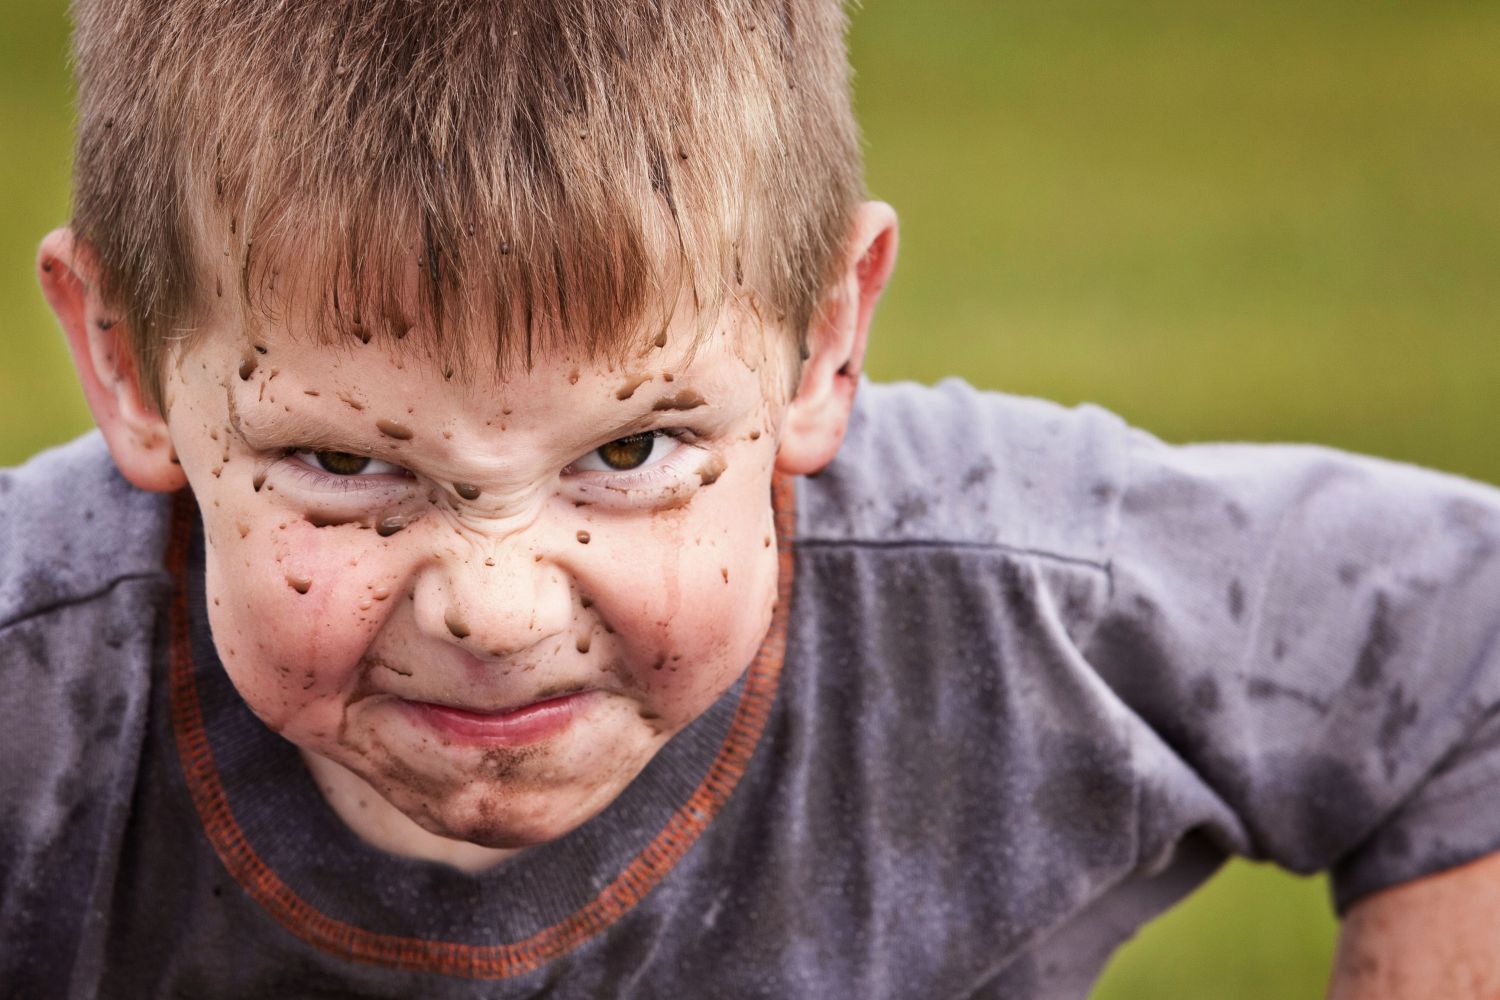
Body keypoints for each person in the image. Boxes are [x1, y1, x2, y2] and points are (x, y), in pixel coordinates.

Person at [2, 2, 1497, 996]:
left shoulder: (1012, 594)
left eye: (632, 450)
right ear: (129, 366)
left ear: (823, 338)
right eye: (344, 467)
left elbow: (1463, 657)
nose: (498, 608)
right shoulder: (41, 700)